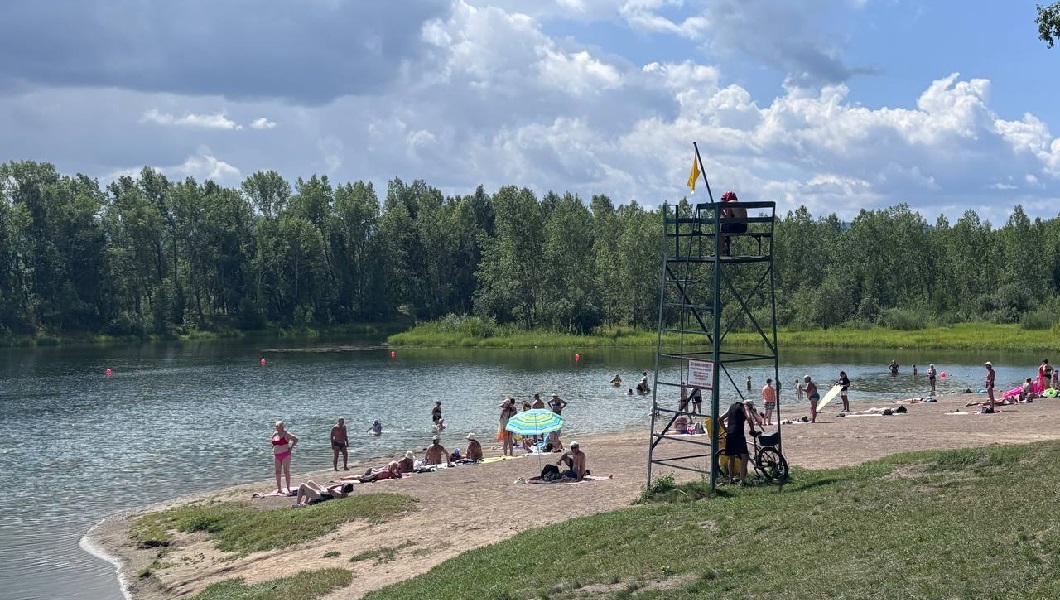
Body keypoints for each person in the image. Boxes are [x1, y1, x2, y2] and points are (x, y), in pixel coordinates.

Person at [719, 401, 755, 484]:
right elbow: (749, 419)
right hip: (738, 434)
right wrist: (752, 430)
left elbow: (720, 419)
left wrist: (726, 429)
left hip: (730, 434)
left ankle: (731, 480)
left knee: (731, 458)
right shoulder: (745, 407)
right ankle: (742, 481)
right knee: (745, 457)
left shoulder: (731, 406)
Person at [271, 421, 299, 495]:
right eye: (276, 426)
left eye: (278, 426)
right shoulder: (275, 434)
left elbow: (296, 439)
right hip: (277, 455)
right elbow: (272, 442)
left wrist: (291, 447)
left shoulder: (287, 434)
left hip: (285, 454)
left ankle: (288, 488)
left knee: (286, 471)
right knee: (277, 472)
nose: (276, 428)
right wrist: (273, 447)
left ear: (282, 427)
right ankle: (279, 489)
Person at [718, 190, 747, 257]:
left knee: (721, 231)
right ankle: (726, 251)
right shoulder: (739, 204)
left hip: (737, 227)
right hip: (744, 227)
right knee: (725, 229)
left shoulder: (729, 203)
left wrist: (722, 213)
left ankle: (720, 253)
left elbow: (727, 220)